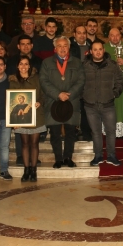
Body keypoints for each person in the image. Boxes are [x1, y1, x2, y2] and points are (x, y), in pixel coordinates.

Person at [41, 37, 86, 168]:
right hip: (53, 101)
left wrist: (69, 94)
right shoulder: (47, 63)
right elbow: (43, 81)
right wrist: (57, 94)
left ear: (69, 47)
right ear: (55, 48)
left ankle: (68, 157)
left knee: (70, 132)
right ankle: (58, 159)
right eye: (59, 46)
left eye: (65, 45)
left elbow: (81, 81)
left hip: (71, 101)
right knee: (55, 132)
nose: (62, 48)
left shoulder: (77, 63)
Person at [9, 56, 45, 182]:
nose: (23, 66)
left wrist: (39, 102)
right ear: (18, 66)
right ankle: (26, 170)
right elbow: (10, 102)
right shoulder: (13, 81)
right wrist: (12, 121)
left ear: (29, 66)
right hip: (21, 119)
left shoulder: (37, 79)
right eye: (21, 64)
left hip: (36, 116)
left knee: (34, 143)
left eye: (26, 64)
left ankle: (33, 170)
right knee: (24, 143)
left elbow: (43, 94)